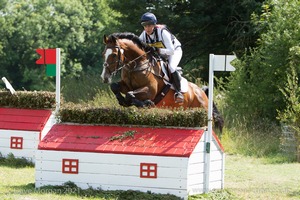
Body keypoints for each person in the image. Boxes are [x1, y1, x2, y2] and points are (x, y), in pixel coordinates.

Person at [139, 12, 184, 103]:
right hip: (161, 54)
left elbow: (171, 51)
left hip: (175, 51)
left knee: (171, 67)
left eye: (149, 25)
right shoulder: (143, 35)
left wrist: (158, 50)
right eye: (144, 25)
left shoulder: (162, 32)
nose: (147, 28)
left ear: (154, 25)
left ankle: (179, 92)